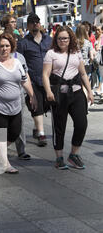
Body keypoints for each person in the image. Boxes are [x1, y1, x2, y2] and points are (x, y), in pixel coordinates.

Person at [0, 32, 37, 174]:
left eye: (7, 46)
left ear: (12, 47)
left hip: (16, 106)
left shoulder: (17, 62)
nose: (4, 49)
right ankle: (5, 164)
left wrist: (32, 95)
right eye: (1, 46)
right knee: (1, 134)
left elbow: (24, 80)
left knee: (14, 132)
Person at [42, 26, 94, 170]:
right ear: (56, 39)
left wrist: (89, 92)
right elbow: (45, 75)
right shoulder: (51, 54)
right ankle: (59, 157)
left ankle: (74, 154)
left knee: (81, 123)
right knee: (59, 126)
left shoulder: (76, 52)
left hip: (76, 93)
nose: (62, 41)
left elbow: (83, 74)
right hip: (59, 94)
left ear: (70, 38)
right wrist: (48, 91)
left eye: (65, 38)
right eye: (60, 38)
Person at [17, 13, 52, 147]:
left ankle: (38, 128)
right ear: (28, 26)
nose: (35, 24)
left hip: (49, 80)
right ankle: (42, 134)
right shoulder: (23, 43)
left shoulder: (48, 40)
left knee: (47, 105)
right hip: (33, 80)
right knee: (36, 106)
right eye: (32, 22)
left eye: (37, 22)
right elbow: (20, 61)